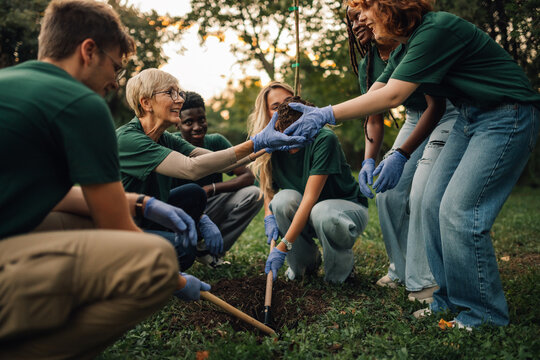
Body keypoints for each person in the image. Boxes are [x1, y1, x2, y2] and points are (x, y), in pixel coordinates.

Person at [282, 0, 540, 329]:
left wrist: (325, 114)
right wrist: (390, 155)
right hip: (468, 115)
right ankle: (446, 299)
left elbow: (392, 98)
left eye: (363, 9)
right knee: (431, 204)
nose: (358, 20)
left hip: (507, 113)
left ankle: (483, 316)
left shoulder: (436, 30)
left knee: (460, 211)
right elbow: (380, 93)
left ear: (388, 6)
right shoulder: (410, 43)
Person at [0, 1, 210, 358]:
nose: (114, 82)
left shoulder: (10, 83)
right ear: (88, 51)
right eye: (114, 66)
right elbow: (116, 229)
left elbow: (45, 193)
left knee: (77, 220)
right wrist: (176, 281)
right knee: (157, 257)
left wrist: (140, 201)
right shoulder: (80, 103)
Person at [117, 69, 305, 271]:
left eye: (179, 93)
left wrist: (263, 147)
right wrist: (254, 143)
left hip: (152, 215)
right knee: (183, 249)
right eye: (170, 93)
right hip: (124, 227)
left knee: (194, 194)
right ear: (146, 103)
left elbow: (215, 161)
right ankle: (141, 271)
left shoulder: (164, 137)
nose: (179, 100)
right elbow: (191, 169)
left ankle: (185, 249)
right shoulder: (129, 140)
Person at [346, 5, 459, 303]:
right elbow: (373, 115)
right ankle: (401, 268)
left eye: (361, 14)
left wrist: (402, 153)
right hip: (415, 116)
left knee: (421, 192)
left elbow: (435, 104)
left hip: (445, 114)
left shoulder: (410, 41)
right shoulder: (368, 64)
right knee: (387, 193)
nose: (358, 22)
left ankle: (426, 279)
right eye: (351, 20)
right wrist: (369, 159)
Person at [249, 82, 369, 283]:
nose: (284, 111)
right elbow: (268, 189)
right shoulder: (270, 145)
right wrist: (269, 216)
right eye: (276, 107)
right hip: (310, 213)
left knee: (321, 211)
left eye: (288, 103)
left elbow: (309, 199)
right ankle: (303, 268)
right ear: (267, 114)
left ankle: (339, 275)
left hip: (342, 213)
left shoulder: (323, 138)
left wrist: (284, 244)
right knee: (281, 201)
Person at [173, 91, 263, 265]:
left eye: (201, 119)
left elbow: (247, 176)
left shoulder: (215, 142)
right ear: (177, 124)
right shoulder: (170, 145)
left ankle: (210, 252)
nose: (197, 126)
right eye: (188, 122)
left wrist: (211, 188)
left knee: (254, 194)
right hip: (179, 213)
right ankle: (187, 248)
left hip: (210, 205)